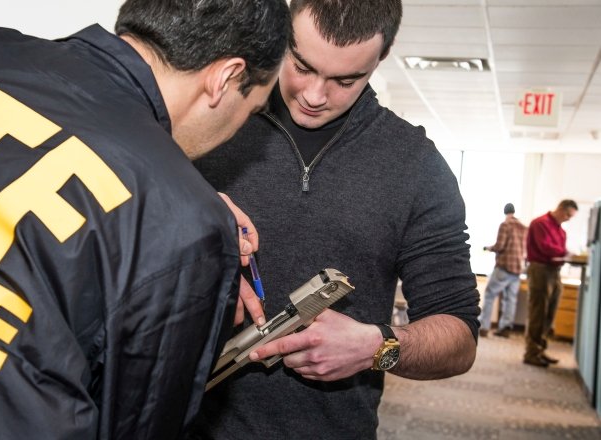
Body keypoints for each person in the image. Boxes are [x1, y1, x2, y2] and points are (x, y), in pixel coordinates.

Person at [0, 1, 291, 438]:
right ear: (227, 77)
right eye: (251, 112)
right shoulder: (186, 224)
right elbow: (139, 424)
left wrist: (168, 202)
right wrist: (183, 226)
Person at [190, 1, 479, 439]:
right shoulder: (205, 113)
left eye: (345, 80)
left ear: (384, 54)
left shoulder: (415, 166)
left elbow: (458, 337)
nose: (314, 95)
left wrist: (377, 346)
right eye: (302, 65)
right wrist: (187, 217)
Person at [523, 199, 578, 367]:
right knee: (538, 312)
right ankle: (531, 353)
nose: (569, 218)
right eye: (568, 214)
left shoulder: (560, 230)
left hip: (554, 271)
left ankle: (540, 349)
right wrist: (567, 254)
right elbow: (545, 247)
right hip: (540, 270)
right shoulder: (540, 223)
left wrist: (567, 255)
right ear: (560, 209)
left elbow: (559, 251)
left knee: (550, 314)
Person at [478, 203, 528, 338]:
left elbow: (500, 246)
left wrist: (488, 248)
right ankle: (505, 328)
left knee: (489, 295)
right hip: (517, 269)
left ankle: (484, 327)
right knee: (510, 299)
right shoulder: (524, 228)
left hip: (504, 266)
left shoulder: (505, 225)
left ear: (505, 212)